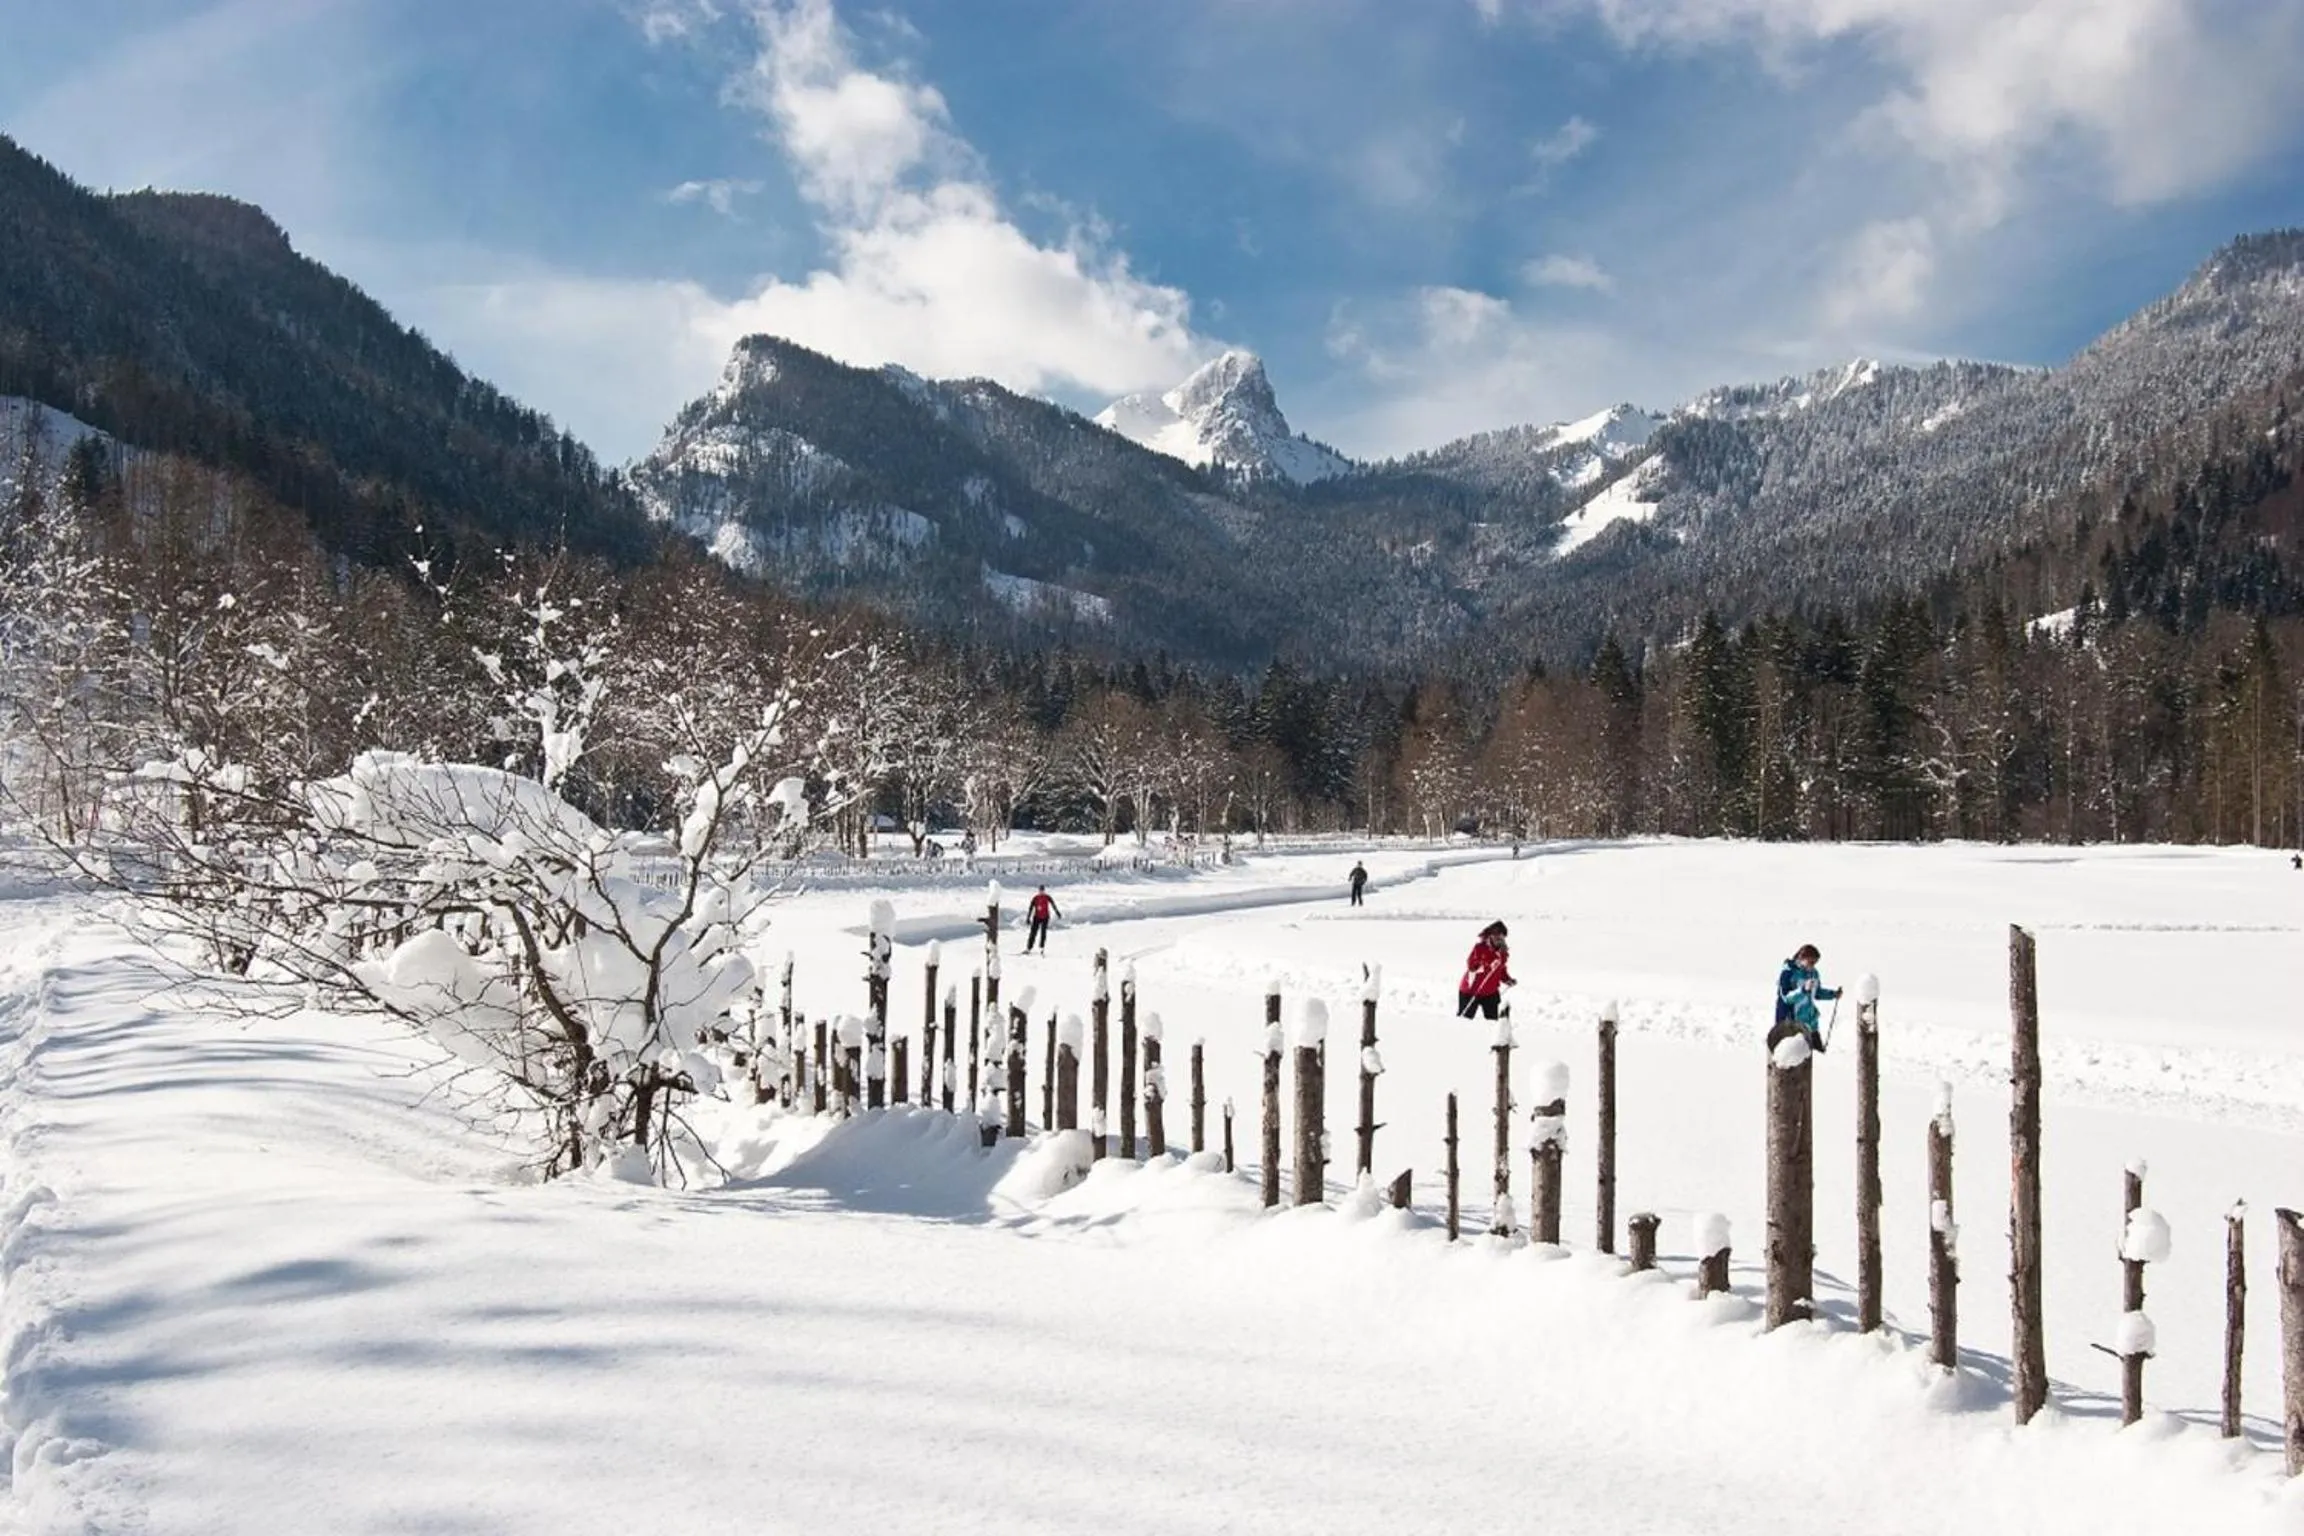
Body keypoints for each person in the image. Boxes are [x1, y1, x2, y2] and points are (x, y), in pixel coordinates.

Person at [1769, 943, 1841, 1052]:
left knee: (1818, 1055)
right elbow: (1786, 998)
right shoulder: (1788, 973)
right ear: (1801, 958)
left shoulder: (1814, 973)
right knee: (1796, 1060)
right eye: (1811, 961)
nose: (1813, 965)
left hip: (1811, 1023)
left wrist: (1833, 994)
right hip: (1792, 1024)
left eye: (1815, 962)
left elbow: (1817, 993)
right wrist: (1803, 990)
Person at [1457, 920, 1514, 1020]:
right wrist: (1488, 963)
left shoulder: (1502, 952)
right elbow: (1471, 966)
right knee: (1464, 1020)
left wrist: (1507, 979)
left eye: (1501, 936)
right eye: (1496, 935)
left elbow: (1500, 970)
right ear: (1490, 935)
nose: (1499, 939)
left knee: (1493, 1023)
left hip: (1490, 992)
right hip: (1471, 991)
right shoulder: (1480, 948)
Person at [1024, 885, 1060, 954]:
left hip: (1045, 917)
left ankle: (1041, 948)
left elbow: (1053, 904)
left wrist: (1057, 912)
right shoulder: (1035, 898)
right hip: (1037, 917)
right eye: (1040, 890)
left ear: (1044, 891)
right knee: (1033, 933)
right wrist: (1028, 918)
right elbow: (1030, 908)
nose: (1041, 892)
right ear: (1039, 891)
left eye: (1042, 890)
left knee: (1043, 933)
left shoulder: (1047, 897)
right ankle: (1028, 948)